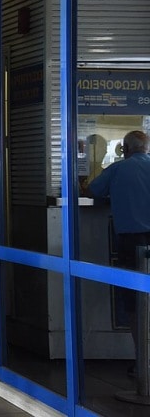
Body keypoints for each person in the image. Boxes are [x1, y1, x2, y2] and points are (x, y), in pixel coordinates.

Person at [86, 130, 150, 375]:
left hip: (131, 242)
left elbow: (93, 191)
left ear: (124, 149)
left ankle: (142, 361)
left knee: (135, 302)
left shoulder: (117, 169)